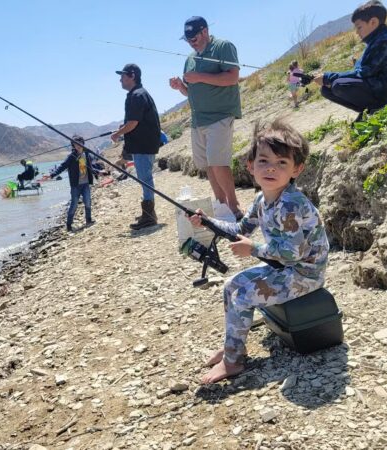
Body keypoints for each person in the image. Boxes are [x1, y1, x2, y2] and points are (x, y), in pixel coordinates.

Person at [187, 119, 329, 384]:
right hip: (283, 267)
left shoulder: (291, 205)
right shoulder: (262, 199)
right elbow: (240, 228)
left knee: (243, 296)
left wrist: (253, 249)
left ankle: (233, 362)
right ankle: (233, 346)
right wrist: (207, 221)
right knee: (231, 285)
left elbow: (293, 253)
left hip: (305, 273)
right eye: (264, 161)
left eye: (281, 163)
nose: (271, 168)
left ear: (297, 169)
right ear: (251, 165)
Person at [169, 16, 243, 221]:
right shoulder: (190, 59)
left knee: (218, 163)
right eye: (187, 39)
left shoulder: (223, 47)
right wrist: (180, 87)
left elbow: (233, 77)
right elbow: (191, 93)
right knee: (209, 165)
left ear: (205, 31)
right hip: (198, 121)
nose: (191, 42)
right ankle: (221, 205)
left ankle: (234, 207)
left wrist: (200, 76)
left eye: (194, 37)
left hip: (220, 116)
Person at [313, 1, 387, 121]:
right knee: (326, 90)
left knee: (338, 84)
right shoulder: (375, 41)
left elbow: (363, 73)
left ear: (373, 22)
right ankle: (368, 110)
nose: (357, 32)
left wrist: (328, 77)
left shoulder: (384, 41)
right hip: (379, 87)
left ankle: (378, 108)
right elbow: (363, 70)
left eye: (359, 27)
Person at [110, 63, 162, 230]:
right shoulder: (139, 94)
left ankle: (149, 217)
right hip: (145, 144)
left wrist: (117, 134)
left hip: (143, 145)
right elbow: (135, 120)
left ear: (132, 76)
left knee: (145, 179)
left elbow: (133, 123)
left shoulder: (137, 95)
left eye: (123, 76)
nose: (120, 80)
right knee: (145, 178)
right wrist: (123, 127)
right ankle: (148, 213)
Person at [50, 135, 96, 232]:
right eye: (75, 144)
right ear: (73, 146)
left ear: (83, 143)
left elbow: (90, 168)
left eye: (79, 143)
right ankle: (69, 225)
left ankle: (88, 220)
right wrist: (52, 175)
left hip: (85, 184)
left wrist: (99, 172)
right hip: (76, 185)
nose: (77, 145)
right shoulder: (71, 157)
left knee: (88, 202)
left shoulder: (87, 154)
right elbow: (62, 166)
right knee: (74, 205)